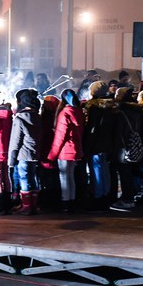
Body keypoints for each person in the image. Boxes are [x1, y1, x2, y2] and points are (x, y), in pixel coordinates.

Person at [47, 89, 84, 213]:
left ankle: (66, 202)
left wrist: (52, 155)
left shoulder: (64, 114)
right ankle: (72, 200)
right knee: (71, 176)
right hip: (76, 149)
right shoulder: (78, 112)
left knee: (64, 177)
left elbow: (60, 137)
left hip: (64, 150)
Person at [83, 81, 117, 212]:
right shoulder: (111, 107)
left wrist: (88, 146)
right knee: (104, 171)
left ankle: (98, 199)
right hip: (107, 143)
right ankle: (105, 196)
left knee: (96, 171)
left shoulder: (95, 108)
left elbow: (92, 129)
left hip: (96, 144)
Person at [8, 88, 42, 215]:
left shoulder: (19, 118)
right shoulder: (37, 116)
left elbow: (15, 140)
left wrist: (11, 159)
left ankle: (27, 206)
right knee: (33, 178)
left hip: (23, 154)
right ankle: (34, 204)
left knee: (24, 178)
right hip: (34, 153)